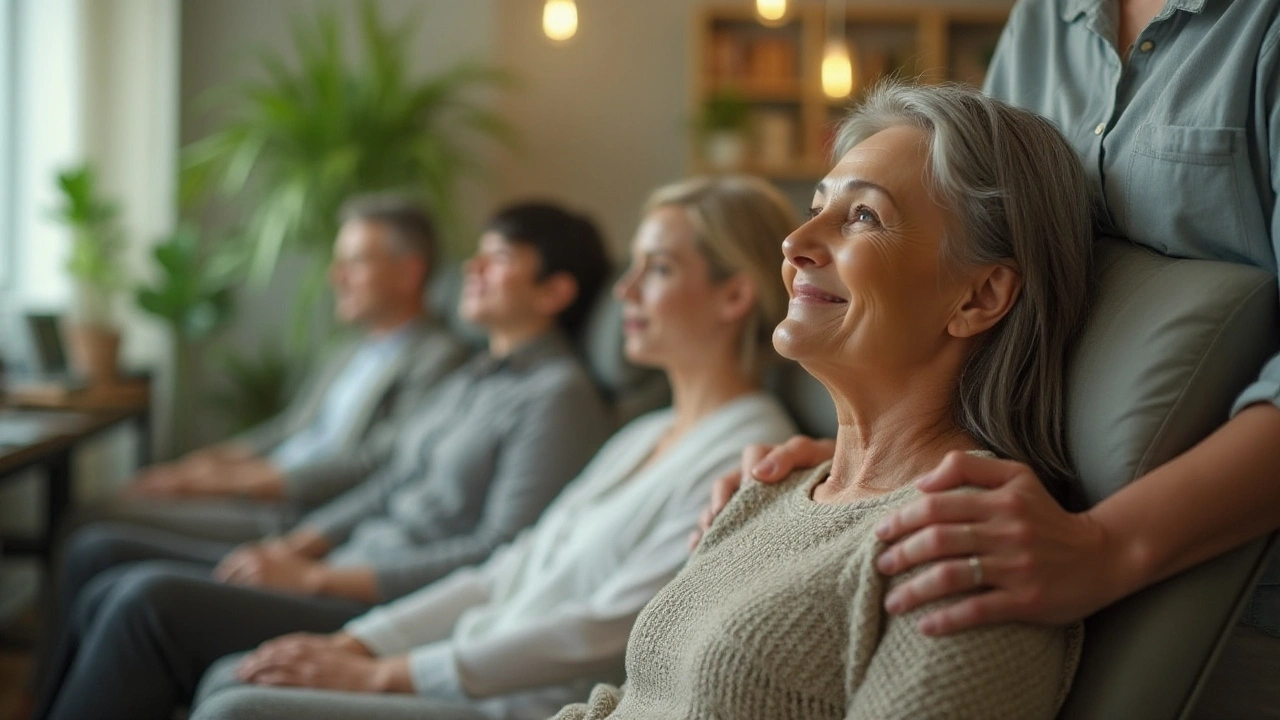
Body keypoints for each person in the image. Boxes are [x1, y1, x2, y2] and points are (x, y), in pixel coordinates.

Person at [700, 2, 1280, 714]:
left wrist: (1105, 546)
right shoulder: (1047, 19)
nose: (792, 242)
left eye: (861, 215)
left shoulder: (961, 572)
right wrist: (866, 467)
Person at [553, 83, 1093, 719]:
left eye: (863, 216)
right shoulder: (774, 486)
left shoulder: (972, 542)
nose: (794, 242)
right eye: (815, 206)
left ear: (979, 297)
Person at [187, 175, 801, 720]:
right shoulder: (642, 434)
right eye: (632, 266)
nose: (626, 292)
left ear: (734, 295)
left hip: (532, 704)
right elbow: (505, 567)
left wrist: (385, 673)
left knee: (239, 706)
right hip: (458, 669)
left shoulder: (747, 453)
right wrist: (361, 643)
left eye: (659, 269)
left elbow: (609, 630)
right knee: (230, 678)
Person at [32, 202, 615, 720]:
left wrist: (319, 576)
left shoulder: (558, 396)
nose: (472, 268)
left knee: (143, 600)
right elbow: (388, 482)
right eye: (477, 256)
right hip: (347, 562)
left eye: (499, 258)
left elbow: (501, 553)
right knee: (115, 578)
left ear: (554, 291)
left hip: (387, 602)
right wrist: (300, 547)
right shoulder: (476, 377)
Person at [97, 194, 469, 540]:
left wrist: (229, 482)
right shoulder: (348, 350)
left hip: (299, 510)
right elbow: (288, 429)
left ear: (409, 273)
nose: (335, 277)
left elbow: (378, 462)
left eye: (354, 262)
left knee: (101, 524)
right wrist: (196, 468)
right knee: (109, 509)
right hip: (254, 491)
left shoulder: (439, 358)